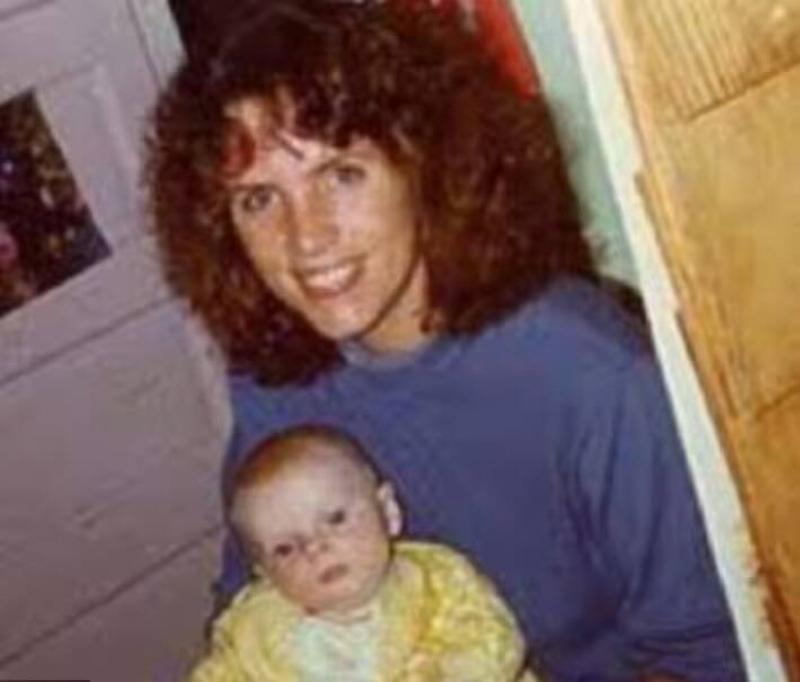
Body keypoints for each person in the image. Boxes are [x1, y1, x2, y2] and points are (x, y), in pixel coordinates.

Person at [148, 0, 746, 678]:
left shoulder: (592, 376)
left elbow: (711, 657)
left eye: (341, 174)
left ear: (425, 167)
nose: (306, 238)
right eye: (258, 198)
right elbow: (250, 612)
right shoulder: (273, 377)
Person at [187, 423, 534, 681]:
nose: (316, 549)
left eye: (335, 519)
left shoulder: (437, 580)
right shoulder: (253, 629)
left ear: (388, 512)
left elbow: (490, 641)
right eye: (285, 548)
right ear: (264, 573)